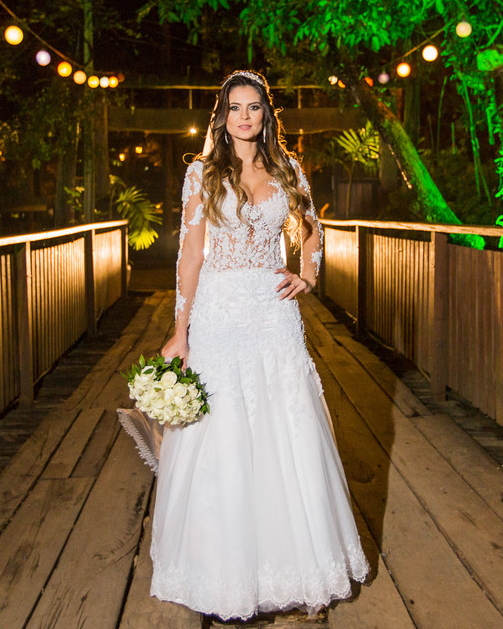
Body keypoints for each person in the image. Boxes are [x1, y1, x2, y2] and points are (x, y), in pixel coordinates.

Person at [149, 69, 370, 620]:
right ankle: (221, 572)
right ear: (222, 116)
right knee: (220, 429)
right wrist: (180, 329)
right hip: (219, 313)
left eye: (253, 108)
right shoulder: (201, 174)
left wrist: (308, 275)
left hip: (273, 313)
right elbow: (190, 255)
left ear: (266, 115)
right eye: (235, 108)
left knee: (285, 424)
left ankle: (293, 566)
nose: (244, 117)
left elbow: (311, 228)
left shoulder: (288, 169)